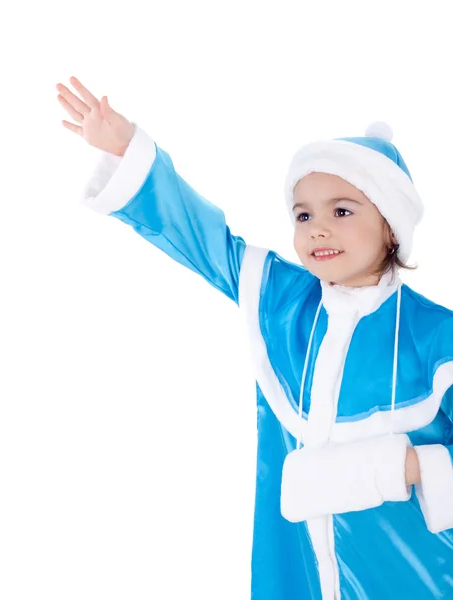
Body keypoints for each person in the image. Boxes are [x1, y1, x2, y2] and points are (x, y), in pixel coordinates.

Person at [56, 76, 453, 599]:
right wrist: (130, 152)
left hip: (410, 573)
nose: (317, 229)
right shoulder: (282, 303)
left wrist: (403, 467)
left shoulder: (435, 334)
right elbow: (205, 242)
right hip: (298, 572)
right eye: (303, 214)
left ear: (391, 225)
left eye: (342, 211)